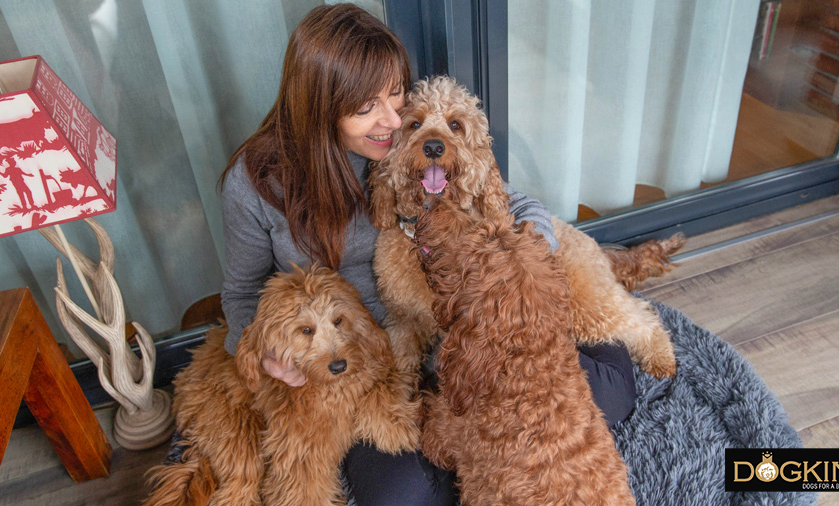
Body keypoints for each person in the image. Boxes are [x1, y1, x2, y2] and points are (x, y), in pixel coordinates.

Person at [219, 4, 635, 505]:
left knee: (612, 395)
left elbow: (505, 198)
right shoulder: (256, 182)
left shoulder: (414, 137)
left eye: (396, 92)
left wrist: (519, 268)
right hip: (379, 354)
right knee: (403, 494)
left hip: (471, 329)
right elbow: (241, 294)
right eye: (367, 105)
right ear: (320, 104)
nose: (393, 119)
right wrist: (270, 357)